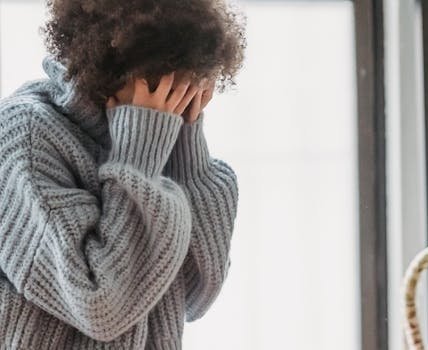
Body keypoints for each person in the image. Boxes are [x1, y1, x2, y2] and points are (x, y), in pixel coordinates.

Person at [0, 0, 245, 348]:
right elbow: (101, 305)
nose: (182, 93)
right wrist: (139, 156)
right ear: (116, 66)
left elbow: (196, 292)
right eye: (170, 81)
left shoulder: (155, 132)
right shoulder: (25, 135)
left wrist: (185, 141)